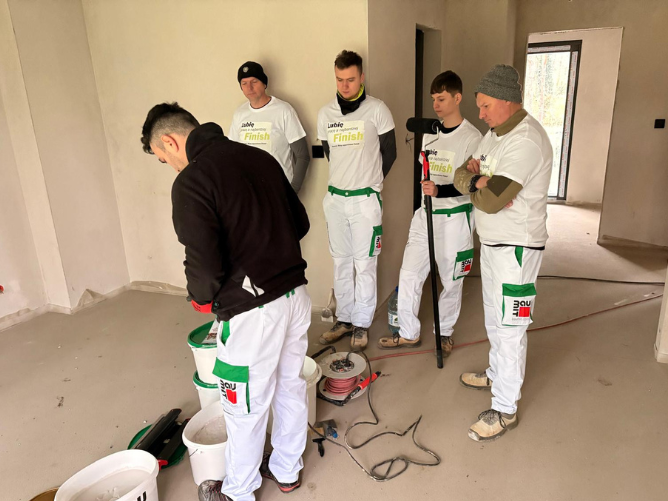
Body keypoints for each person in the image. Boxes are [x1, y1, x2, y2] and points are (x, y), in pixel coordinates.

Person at [141, 103, 312, 501]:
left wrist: (201, 297)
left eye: (164, 157)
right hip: (295, 294)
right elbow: (300, 223)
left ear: (170, 141)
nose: (170, 165)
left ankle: (238, 491)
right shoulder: (260, 158)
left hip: (252, 314)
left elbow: (202, 263)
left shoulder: (193, 180)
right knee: (289, 386)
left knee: (243, 407)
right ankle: (287, 469)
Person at [452, 65, 552, 442]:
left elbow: (493, 201)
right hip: (493, 245)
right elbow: (461, 175)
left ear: (508, 101)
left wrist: (479, 184)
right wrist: (478, 180)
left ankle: (505, 409)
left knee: (511, 329)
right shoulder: (494, 135)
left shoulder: (526, 141)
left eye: (485, 106)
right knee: (494, 320)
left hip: (517, 250)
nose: (480, 114)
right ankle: (496, 375)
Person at [377, 71, 482, 354]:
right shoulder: (430, 135)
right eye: (433, 99)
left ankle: (444, 332)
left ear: (457, 98)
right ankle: (407, 332)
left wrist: (440, 191)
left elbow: (473, 184)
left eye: (442, 99)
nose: (436, 105)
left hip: (455, 218)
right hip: (425, 215)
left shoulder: (472, 138)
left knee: (451, 280)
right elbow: (426, 173)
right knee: (410, 273)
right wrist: (430, 193)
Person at [316, 50, 397, 350]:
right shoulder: (326, 114)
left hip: (365, 202)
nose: (345, 85)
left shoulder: (377, 110)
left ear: (361, 77)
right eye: (339, 80)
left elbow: (390, 153)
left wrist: (369, 182)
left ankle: (361, 323)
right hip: (336, 200)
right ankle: (345, 319)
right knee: (341, 262)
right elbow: (330, 153)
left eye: (350, 79)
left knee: (365, 264)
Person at [228, 61, 311, 193]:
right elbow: (232, 156)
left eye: (254, 81)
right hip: (249, 193)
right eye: (244, 83)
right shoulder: (239, 114)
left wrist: (292, 192)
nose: (249, 87)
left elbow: (302, 155)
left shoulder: (283, 110)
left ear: (264, 83)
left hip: (278, 191)